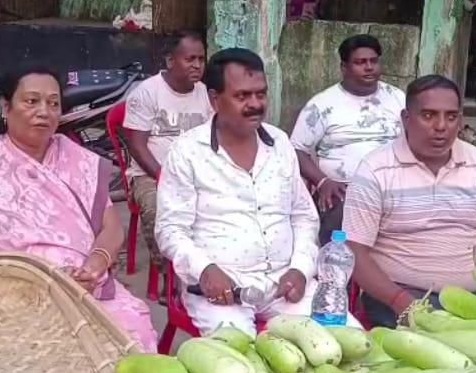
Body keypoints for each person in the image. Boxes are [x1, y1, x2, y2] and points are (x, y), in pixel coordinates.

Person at [0, 63, 158, 352]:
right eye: (31, 101)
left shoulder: (76, 158)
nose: (44, 112)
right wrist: (54, 282)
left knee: (134, 329)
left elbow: (111, 226)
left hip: (88, 288)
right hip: (20, 297)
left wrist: (96, 264)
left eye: (53, 103)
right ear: (6, 107)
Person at [156, 48, 362, 336]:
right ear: (215, 99)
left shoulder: (280, 143)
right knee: (241, 360)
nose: (255, 104)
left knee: (351, 338)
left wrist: (301, 269)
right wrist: (205, 269)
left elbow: (303, 216)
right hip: (221, 290)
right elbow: (170, 229)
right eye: (242, 96)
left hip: (284, 285)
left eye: (261, 94)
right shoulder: (187, 151)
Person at [343, 74, 476, 328]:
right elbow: (354, 251)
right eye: (428, 115)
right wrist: (403, 303)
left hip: (471, 299)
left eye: (451, 117)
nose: (441, 126)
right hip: (397, 299)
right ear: (406, 119)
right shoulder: (375, 169)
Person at [290, 34, 406, 244]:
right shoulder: (322, 104)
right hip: (343, 190)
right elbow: (297, 150)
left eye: (373, 61)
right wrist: (322, 181)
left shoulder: (397, 97)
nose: (369, 67)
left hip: (394, 186)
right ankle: (337, 263)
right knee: (338, 225)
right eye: (360, 62)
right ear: (344, 67)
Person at [122, 31, 212, 270]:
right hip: (151, 175)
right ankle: (170, 273)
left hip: (195, 173)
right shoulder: (147, 92)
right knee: (157, 209)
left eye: (201, 59)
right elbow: (137, 146)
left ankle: (205, 266)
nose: (197, 65)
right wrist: (165, 176)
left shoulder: (205, 94)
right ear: (171, 60)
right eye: (190, 59)